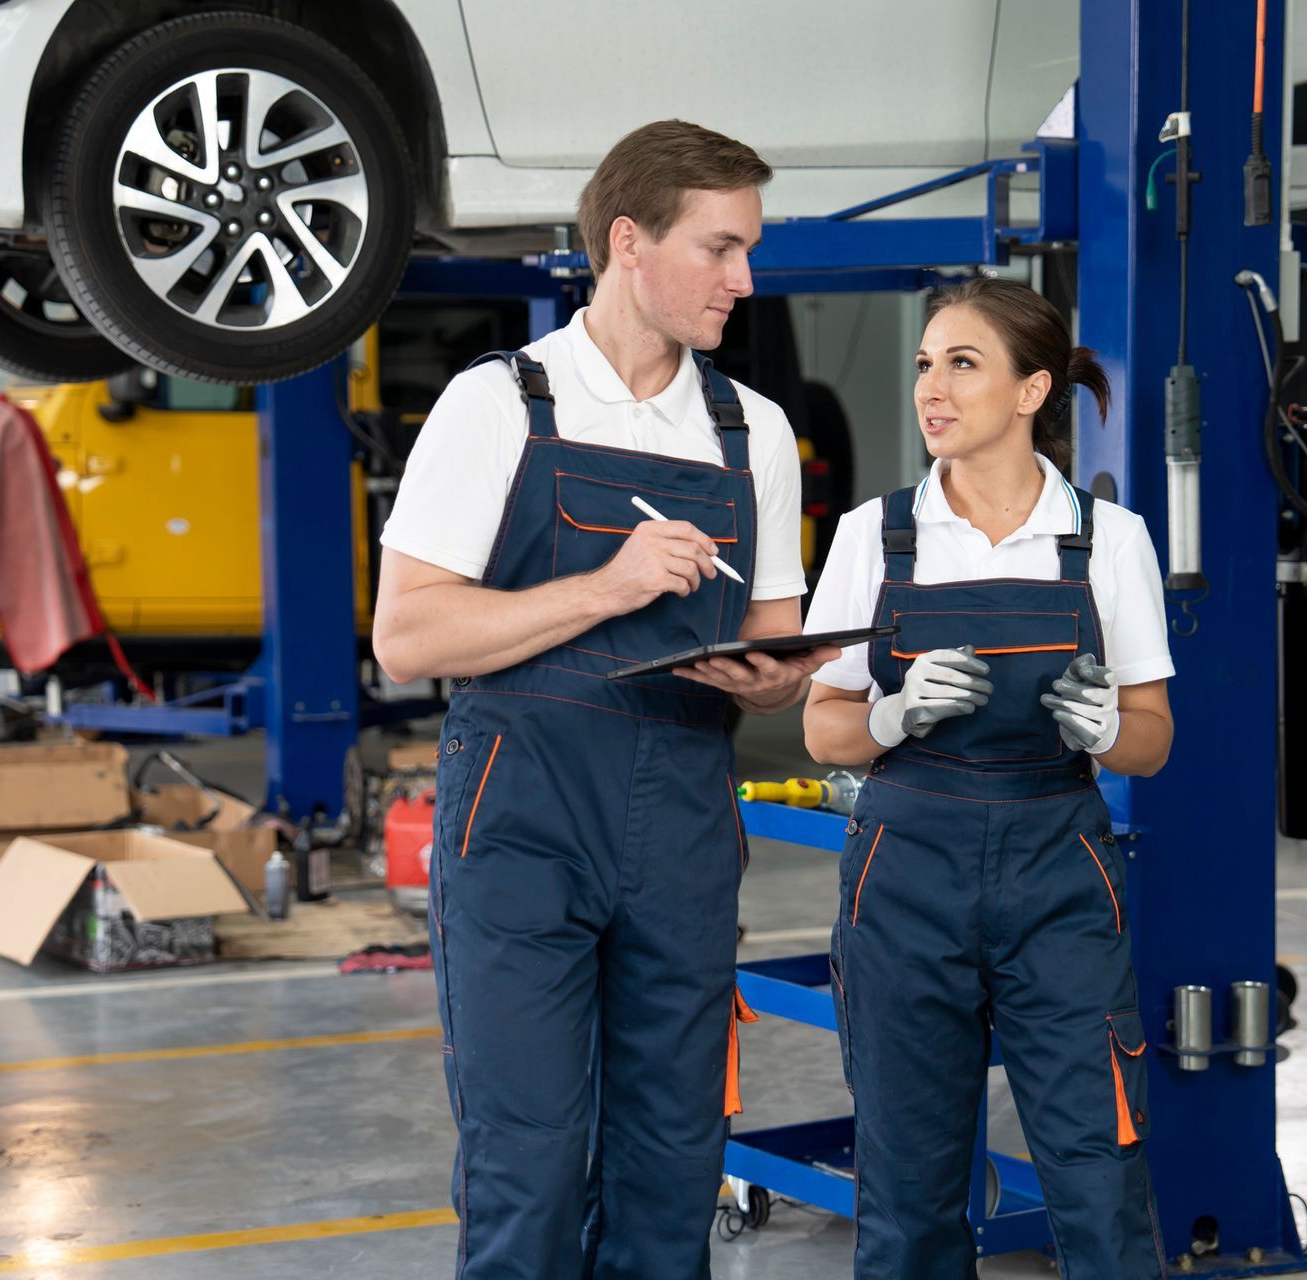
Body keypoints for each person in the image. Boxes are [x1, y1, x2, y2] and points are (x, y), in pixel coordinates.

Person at [372, 119, 838, 1280]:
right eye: (721, 248)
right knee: (528, 1155)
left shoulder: (755, 433)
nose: (745, 278)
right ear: (629, 241)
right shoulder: (499, 405)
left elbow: (775, 642)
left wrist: (778, 674)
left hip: (681, 810)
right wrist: (607, 586)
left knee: (672, 1153)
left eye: (750, 250)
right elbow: (406, 635)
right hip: (520, 811)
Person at [800, 276, 1176, 1277]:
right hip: (904, 872)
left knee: (1100, 1171)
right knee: (908, 1183)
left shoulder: (1107, 539)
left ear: (1029, 388)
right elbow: (821, 725)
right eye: (925, 363)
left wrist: (1108, 729)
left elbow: (1154, 738)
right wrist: (889, 712)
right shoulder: (876, 538)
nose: (932, 386)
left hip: (1060, 870)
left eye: (963, 363)